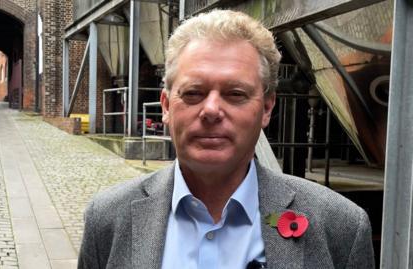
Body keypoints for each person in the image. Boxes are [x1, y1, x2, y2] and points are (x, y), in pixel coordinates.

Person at [77, 10, 374, 269]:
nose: (211, 110)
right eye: (193, 93)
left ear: (267, 108)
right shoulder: (108, 219)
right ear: (166, 106)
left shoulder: (340, 227)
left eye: (235, 94)